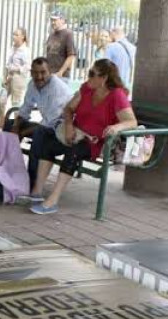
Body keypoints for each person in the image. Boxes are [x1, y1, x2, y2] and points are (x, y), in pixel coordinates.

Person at [30, 59, 136, 215]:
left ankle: (52, 200)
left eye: (92, 74)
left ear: (104, 78)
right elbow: (68, 109)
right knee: (48, 144)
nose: (88, 77)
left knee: (73, 151)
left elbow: (132, 121)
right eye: (89, 73)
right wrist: (68, 126)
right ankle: (36, 192)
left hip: (98, 142)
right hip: (77, 134)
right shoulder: (86, 89)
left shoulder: (117, 95)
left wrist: (116, 127)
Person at [8, 57, 72, 192]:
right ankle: (6, 169)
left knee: (39, 134)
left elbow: (49, 123)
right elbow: (25, 109)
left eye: (43, 72)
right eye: (36, 73)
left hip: (62, 130)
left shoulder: (56, 88)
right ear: (31, 73)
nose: (39, 76)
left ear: (50, 72)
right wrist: (15, 127)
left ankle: (31, 183)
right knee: (9, 124)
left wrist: (21, 133)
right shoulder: (32, 84)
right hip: (48, 125)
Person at [0, 26, 29, 129]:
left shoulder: (25, 50)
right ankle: (2, 121)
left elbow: (28, 66)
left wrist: (16, 69)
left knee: (16, 102)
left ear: (23, 37)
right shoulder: (13, 48)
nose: (14, 37)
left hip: (18, 78)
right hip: (9, 76)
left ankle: (16, 125)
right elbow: (7, 64)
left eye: (16, 35)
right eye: (13, 34)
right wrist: (4, 76)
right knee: (0, 100)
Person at [45, 10, 76, 79]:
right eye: (51, 20)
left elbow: (71, 55)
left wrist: (61, 72)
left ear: (62, 20)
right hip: (50, 74)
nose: (53, 22)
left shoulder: (68, 34)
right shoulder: (51, 34)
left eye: (55, 20)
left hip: (61, 76)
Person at [106, 26, 135, 91]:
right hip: (127, 85)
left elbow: (106, 65)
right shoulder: (133, 48)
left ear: (114, 33)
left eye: (110, 33)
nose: (110, 36)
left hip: (113, 83)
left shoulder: (111, 47)